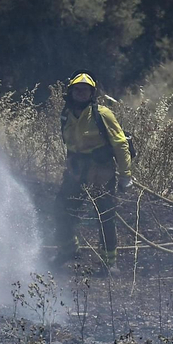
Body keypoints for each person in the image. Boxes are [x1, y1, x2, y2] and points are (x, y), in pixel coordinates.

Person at [56, 71, 132, 268]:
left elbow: (121, 144)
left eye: (86, 90)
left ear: (92, 93)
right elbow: (69, 146)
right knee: (62, 209)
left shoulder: (102, 114)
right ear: (70, 92)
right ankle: (68, 251)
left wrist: (125, 175)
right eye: (77, 89)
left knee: (105, 216)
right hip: (76, 172)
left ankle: (109, 263)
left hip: (101, 173)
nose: (81, 93)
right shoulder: (66, 115)